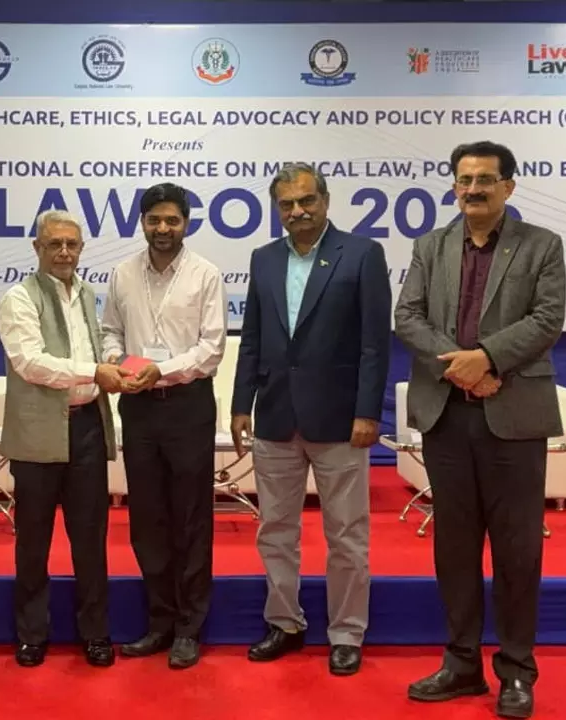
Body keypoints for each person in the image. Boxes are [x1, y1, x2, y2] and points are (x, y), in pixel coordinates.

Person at [395, 141, 565, 719]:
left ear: (508, 187)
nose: (473, 189)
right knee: (455, 547)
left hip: (513, 414)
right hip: (447, 414)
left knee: (517, 549)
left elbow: (547, 319)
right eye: (464, 180)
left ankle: (516, 670)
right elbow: (407, 316)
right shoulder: (430, 245)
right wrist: (461, 366)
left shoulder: (542, 244)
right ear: (453, 186)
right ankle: (461, 663)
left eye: (485, 180)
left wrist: (487, 359)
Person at [231, 163, 391, 675]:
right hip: (275, 415)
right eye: (287, 204)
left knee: (346, 534)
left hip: (341, 419)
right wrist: (241, 403)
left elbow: (374, 344)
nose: (297, 211)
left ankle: (346, 632)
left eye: (306, 201)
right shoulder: (263, 258)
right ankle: (285, 622)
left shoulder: (362, 254)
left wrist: (368, 411)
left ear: (325, 200)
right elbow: (252, 337)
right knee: (275, 529)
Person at [100, 182, 227, 669]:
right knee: (147, 517)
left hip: (187, 404)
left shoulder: (205, 274)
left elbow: (211, 348)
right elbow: (110, 331)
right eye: (154, 220)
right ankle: (160, 622)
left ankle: (190, 628)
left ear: (186, 223)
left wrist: (163, 370)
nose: (162, 228)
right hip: (139, 406)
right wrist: (118, 361)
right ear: (142, 222)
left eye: (172, 220)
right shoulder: (122, 273)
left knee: (190, 517)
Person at [0, 209, 127, 668]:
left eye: (72, 244)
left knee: (90, 539)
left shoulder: (86, 292)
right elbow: (30, 363)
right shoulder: (18, 298)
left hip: (87, 425)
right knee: (34, 540)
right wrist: (95, 371)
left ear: (82, 248)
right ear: (37, 248)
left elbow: (94, 349)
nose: (65, 252)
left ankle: (96, 633)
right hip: (38, 431)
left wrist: (114, 364)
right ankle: (32, 633)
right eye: (55, 244)